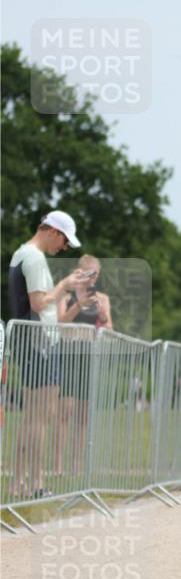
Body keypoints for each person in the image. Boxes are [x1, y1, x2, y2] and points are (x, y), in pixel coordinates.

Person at [8, 210, 83, 497]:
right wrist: (65, 285)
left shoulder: (22, 253)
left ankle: (18, 483)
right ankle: (36, 483)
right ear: (52, 230)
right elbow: (39, 304)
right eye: (64, 240)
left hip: (31, 343)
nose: (63, 247)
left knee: (31, 418)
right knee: (39, 417)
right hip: (38, 344)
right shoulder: (35, 258)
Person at [59, 255, 113, 475]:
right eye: (87, 273)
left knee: (83, 416)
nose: (91, 278)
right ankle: (58, 467)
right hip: (68, 354)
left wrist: (103, 314)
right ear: (79, 272)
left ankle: (76, 467)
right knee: (64, 412)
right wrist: (80, 304)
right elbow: (60, 322)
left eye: (95, 274)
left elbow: (110, 329)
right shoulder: (66, 295)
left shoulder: (102, 297)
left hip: (90, 356)